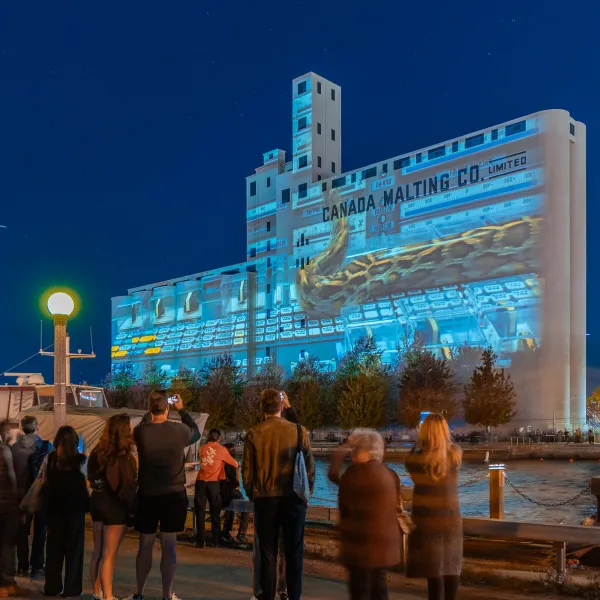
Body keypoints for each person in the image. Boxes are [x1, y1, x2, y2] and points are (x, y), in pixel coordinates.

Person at [243, 389, 315, 600]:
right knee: (294, 553)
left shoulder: (253, 433)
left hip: (265, 499)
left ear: (262, 408)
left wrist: (252, 495)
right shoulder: (300, 432)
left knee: (267, 554)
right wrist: (306, 493)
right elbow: (310, 467)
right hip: (293, 499)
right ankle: (293, 595)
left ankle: (267, 596)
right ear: (282, 407)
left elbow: (247, 472)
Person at [132, 391, 201, 600]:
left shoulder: (140, 432)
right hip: (173, 493)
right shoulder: (179, 430)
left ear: (149, 408)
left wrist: (148, 413)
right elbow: (196, 432)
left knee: (145, 544)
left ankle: (139, 592)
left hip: (147, 493)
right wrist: (182, 409)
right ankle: (166, 594)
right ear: (168, 408)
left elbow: (143, 423)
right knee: (169, 545)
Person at [328, 428, 401, 600]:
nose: (352, 454)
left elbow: (335, 480)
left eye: (354, 450)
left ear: (363, 452)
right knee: (379, 588)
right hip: (385, 545)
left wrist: (340, 452)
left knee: (361, 592)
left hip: (361, 546)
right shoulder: (390, 474)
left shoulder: (354, 474)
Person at [406, 413, 463, 600]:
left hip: (427, 519)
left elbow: (411, 465)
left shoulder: (415, 459)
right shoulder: (455, 454)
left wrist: (419, 442)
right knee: (451, 565)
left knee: (434, 571)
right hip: (451, 519)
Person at [88, 414, 138, 600]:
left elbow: (92, 478)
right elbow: (127, 488)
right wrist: (132, 510)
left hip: (98, 501)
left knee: (98, 551)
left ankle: (96, 593)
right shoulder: (124, 458)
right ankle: (108, 596)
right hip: (115, 508)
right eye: (130, 426)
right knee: (109, 554)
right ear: (124, 431)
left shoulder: (96, 452)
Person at [44, 426, 90, 598]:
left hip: (55, 508)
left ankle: (52, 586)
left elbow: (45, 481)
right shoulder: (80, 461)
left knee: (54, 550)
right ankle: (72, 588)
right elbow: (85, 485)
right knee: (74, 551)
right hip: (75, 509)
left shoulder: (51, 459)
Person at [11, 415, 53, 579]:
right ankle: (37, 567)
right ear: (37, 427)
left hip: (21, 496)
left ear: (22, 428)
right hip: (41, 495)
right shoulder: (46, 446)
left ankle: (22, 566)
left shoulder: (14, 448)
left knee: (22, 532)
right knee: (40, 531)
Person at [194, 428, 238, 548]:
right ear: (219, 438)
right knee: (215, 513)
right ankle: (216, 540)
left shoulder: (202, 448)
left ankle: (200, 541)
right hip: (214, 483)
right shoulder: (222, 449)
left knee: (200, 512)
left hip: (200, 482)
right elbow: (235, 463)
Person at [0, 420, 22, 596]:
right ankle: (6, 584)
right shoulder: (4, 450)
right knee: (8, 546)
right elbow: (12, 477)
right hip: (6, 505)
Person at [220, 442, 249, 545]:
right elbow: (236, 482)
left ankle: (226, 531)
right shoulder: (234, 463)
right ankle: (241, 533)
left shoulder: (221, 462)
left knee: (231, 507)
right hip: (229, 491)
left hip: (221, 491)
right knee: (245, 507)